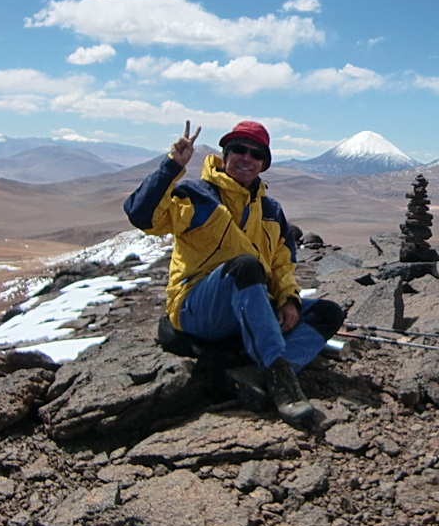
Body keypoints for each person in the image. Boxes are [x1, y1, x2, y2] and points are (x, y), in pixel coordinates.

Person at [123, 120, 344, 425]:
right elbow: (140, 214)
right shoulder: (195, 196)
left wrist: (289, 300)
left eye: (256, 154)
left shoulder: (270, 210)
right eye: (239, 149)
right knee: (245, 265)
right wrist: (172, 165)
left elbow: (283, 263)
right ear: (225, 155)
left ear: (263, 164)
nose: (246, 158)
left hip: (252, 304)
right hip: (198, 306)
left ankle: (252, 372)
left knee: (327, 313)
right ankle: (282, 382)